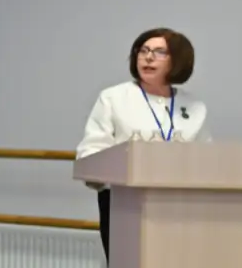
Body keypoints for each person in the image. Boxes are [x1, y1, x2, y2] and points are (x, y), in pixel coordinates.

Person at [77, 27, 210, 255]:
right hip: (124, 205)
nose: (148, 57)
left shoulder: (195, 107)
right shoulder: (113, 98)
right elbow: (91, 153)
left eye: (159, 52)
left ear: (178, 60)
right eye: (143, 50)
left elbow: (208, 160)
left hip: (181, 207)